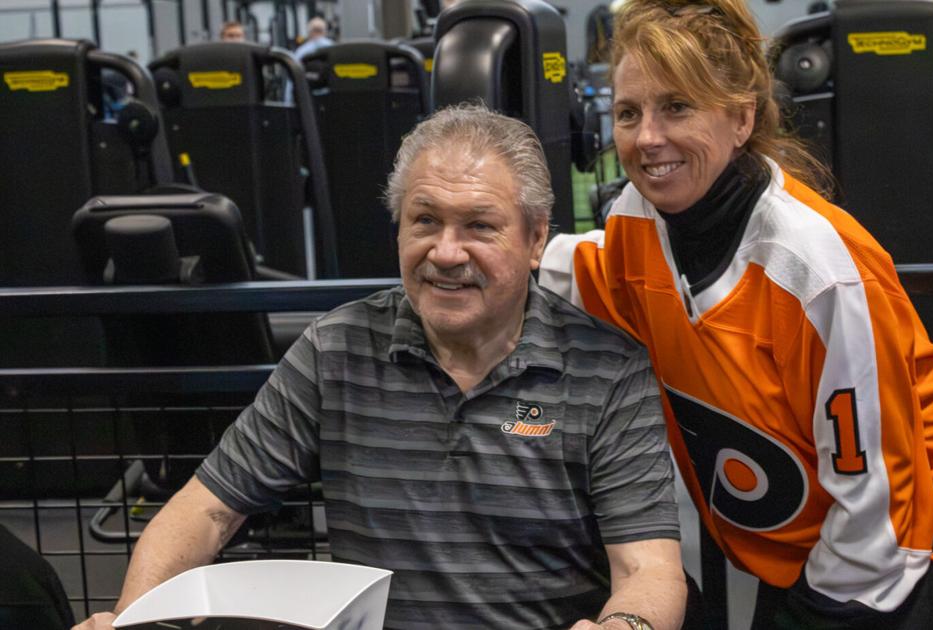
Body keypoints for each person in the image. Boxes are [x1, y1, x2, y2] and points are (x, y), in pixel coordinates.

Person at [73, 104, 686, 630]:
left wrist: (625, 625)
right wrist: (132, 617)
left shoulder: (607, 369)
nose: (446, 252)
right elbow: (205, 510)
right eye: (425, 221)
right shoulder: (335, 350)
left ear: (534, 240)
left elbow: (649, 570)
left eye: (479, 226)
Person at [537, 0, 933, 626]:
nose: (647, 137)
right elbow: (578, 268)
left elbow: (877, 508)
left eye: (677, 107)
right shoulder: (637, 224)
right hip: (833, 534)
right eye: (628, 113)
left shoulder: (814, 271)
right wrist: (481, 251)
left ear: (741, 117)